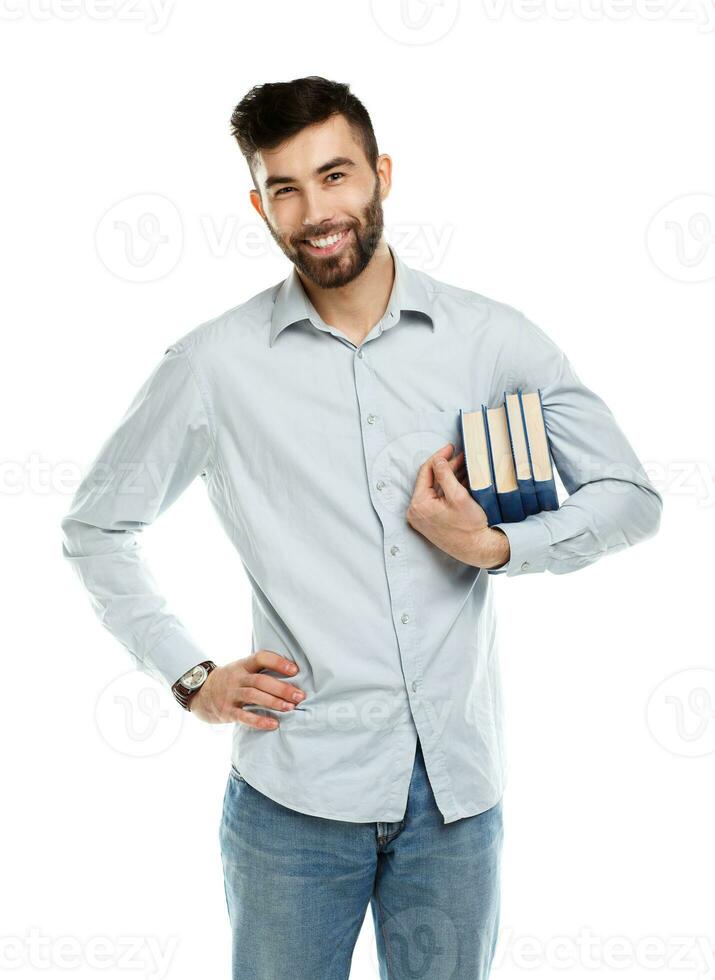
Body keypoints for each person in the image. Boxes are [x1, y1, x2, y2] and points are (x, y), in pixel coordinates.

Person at [60, 76, 663, 979]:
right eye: (285, 188)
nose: (315, 211)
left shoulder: (489, 339)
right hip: (292, 801)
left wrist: (494, 548)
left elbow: (629, 495)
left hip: (456, 800)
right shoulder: (212, 366)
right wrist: (190, 677)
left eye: (335, 175)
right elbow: (96, 527)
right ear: (258, 204)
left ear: (380, 174)